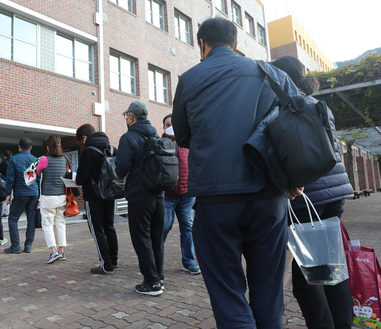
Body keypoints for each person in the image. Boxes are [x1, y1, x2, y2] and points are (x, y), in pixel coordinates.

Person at [172, 18, 301, 328]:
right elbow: (298, 127)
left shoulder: (190, 78)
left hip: (216, 198)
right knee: (269, 291)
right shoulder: (273, 74)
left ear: (201, 44)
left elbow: (183, 136)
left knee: (228, 294)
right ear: (236, 45)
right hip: (269, 196)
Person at [271, 56, 354, 329]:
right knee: (331, 268)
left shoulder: (289, 104)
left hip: (307, 198)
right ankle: (342, 323)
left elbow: (294, 154)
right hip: (332, 196)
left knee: (308, 278)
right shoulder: (318, 103)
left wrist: (291, 180)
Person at [115, 101, 165, 296]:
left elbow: (121, 168)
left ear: (131, 117)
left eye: (127, 117)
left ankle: (151, 283)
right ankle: (158, 277)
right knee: (156, 238)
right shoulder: (155, 136)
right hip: (159, 195)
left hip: (139, 195)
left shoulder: (129, 137)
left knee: (141, 238)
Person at [75, 124, 119, 275]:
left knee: (96, 229)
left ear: (84, 138)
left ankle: (106, 265)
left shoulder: (88, 152)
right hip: (110, 194)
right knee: (109, 226)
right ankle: (113, 259)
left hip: (93, 196)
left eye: (81, 141)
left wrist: (76, 181)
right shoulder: (112, 149)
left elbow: (81, 179)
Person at [161, 114, 200, 275]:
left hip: (186, 193)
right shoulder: (160, 144)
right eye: (167, 124)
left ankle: (189, 262)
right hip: (167, 194)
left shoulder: (187, 142)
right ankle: (156, 260)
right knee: (163, 227)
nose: (170, 126)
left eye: (173, 123)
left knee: (188, 228)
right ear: (163, 127)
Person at [34, 135, 68, 264]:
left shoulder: (44, 159)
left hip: (48, 197)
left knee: (47, 224)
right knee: (61, 224)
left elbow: (37, 172)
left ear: (48, 146)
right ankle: (61, 251)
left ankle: (54, 252)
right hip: (62, 196)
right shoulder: (65, 158)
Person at [3, 138, 39, 254]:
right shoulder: (35, 160)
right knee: (31, 219)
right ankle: (28, 245)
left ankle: (15, 246)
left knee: (13, 219)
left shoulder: (13, 159)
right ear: (30, 148)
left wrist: (8, 193)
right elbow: (38, 178)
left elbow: (10, 178)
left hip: (20, 193)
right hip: (34, 193)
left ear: (19, 147)